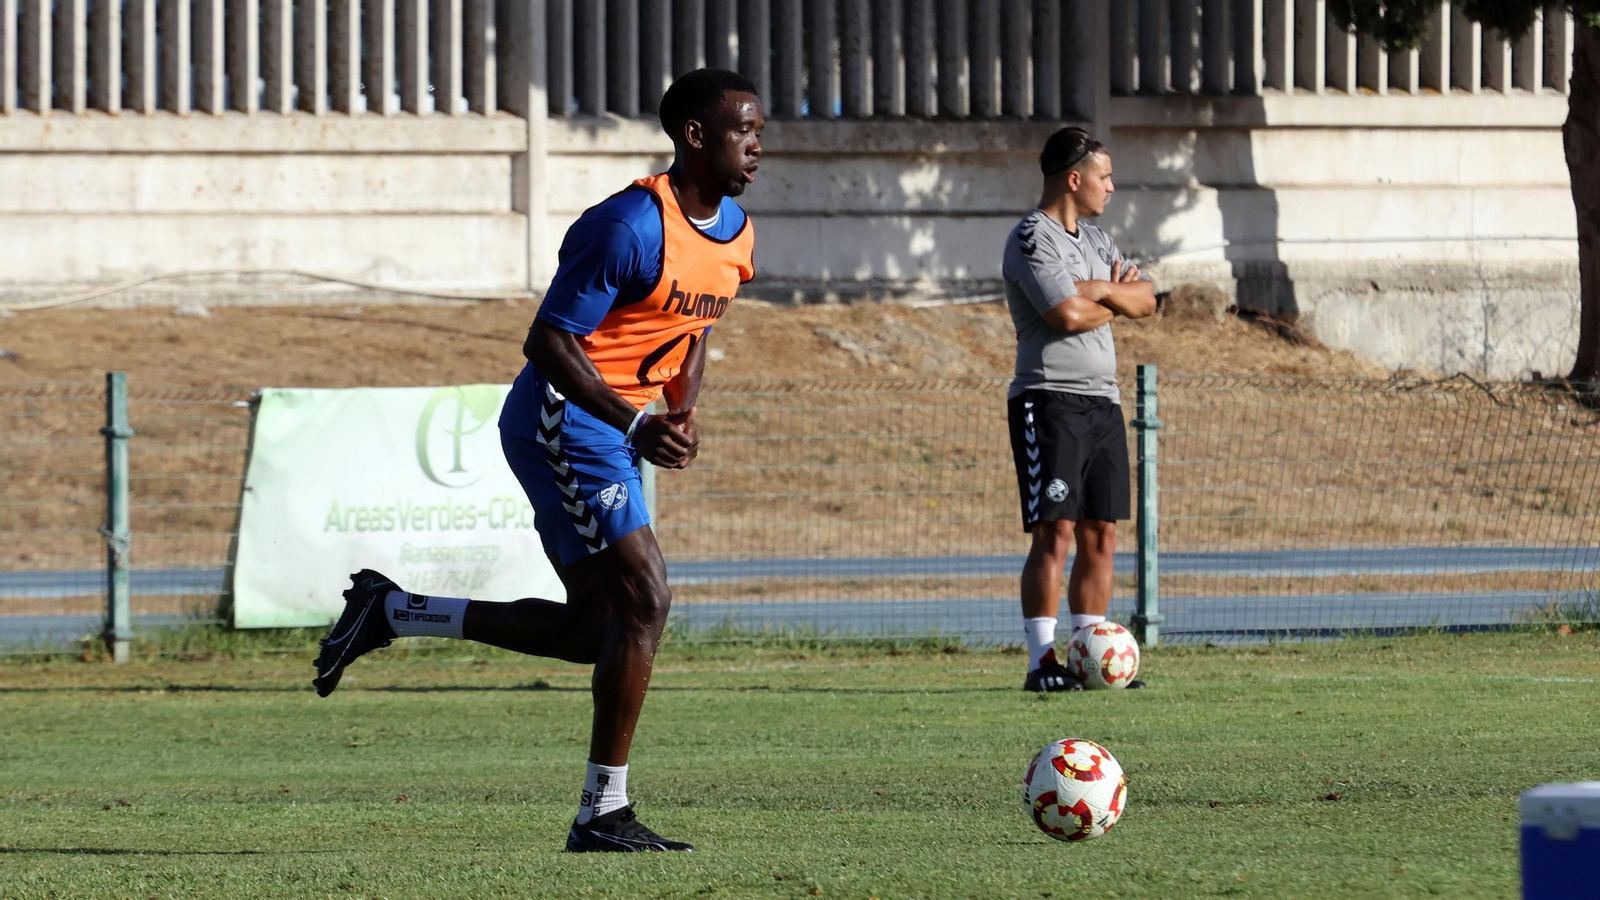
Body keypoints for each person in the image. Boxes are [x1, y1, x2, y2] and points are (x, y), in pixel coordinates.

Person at [311, 68, 763, 851]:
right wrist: (633, 421)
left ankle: (393, 610)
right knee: (648, 600)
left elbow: (694, 335)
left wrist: (680, 414)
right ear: (696, 136)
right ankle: (602, 815)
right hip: (564, 419)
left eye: (761, 133)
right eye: (745, 131)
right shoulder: (628, 224)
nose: (759, 146)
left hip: (614, 427)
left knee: (598, 630)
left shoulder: (738, 232)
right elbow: (547, 342)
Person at [1001, 126, 1156, 693]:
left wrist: (1095, 290)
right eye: (1104, 175)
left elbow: (1147, 300)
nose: (1111, 187)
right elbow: (1063, 316)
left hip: (1103, 402)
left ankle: (1089, 657)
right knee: (1055, 533)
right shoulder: (1029, 238)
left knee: (1101, 533)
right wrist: (1109, 295)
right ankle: (1042, 663)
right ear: (1074, 178)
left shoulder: (1096, 241)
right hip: (1050, 401)